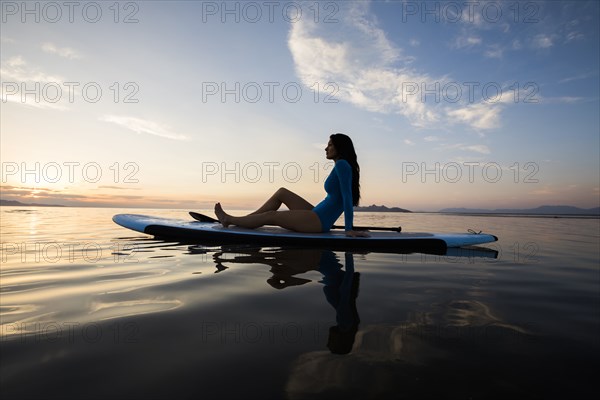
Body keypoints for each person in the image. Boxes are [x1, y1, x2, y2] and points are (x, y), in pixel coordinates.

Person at [214, 133, 369, 237]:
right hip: (316, 213)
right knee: (282, 192)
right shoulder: (341, 165)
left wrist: (349, 229)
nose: (326, 148)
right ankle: (246, 221)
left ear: (339, 147)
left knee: (271, 216)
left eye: (330, 145)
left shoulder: (342, 165)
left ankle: (229, 220)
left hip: (318, 221)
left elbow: (347, 197)